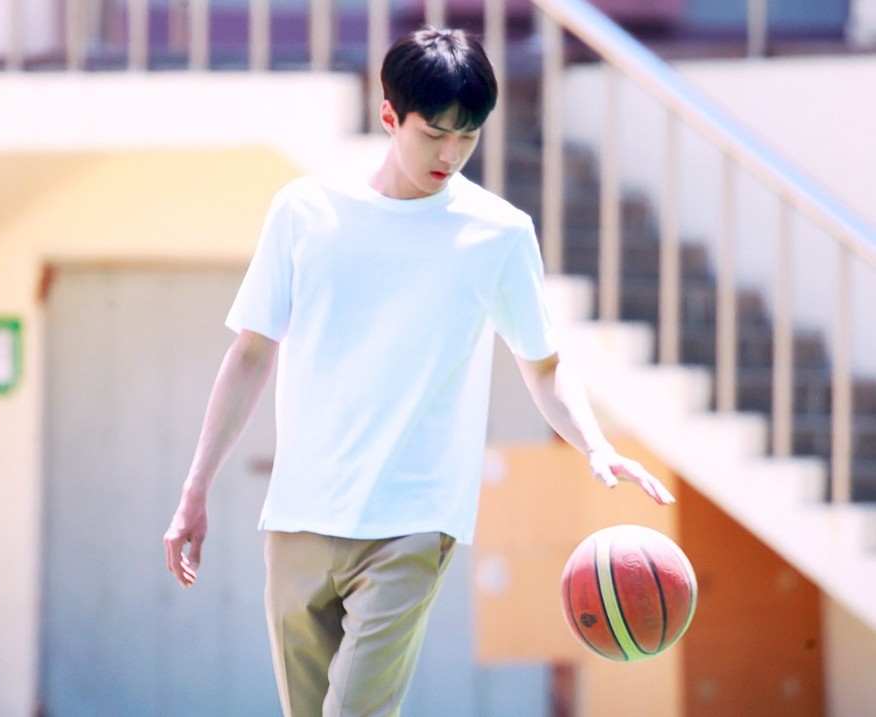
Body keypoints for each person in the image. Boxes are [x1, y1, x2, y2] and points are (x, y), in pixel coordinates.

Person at [163, 26, 675, 717]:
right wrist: (194, 490)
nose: (451, 154)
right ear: (388, 115)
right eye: (434, 133)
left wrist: (595, 445)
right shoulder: (304, 211)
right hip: (299, 515)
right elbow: (250, 354)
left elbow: (544, 365)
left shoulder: (499, 234)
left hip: (413, 521)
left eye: (468, 136)